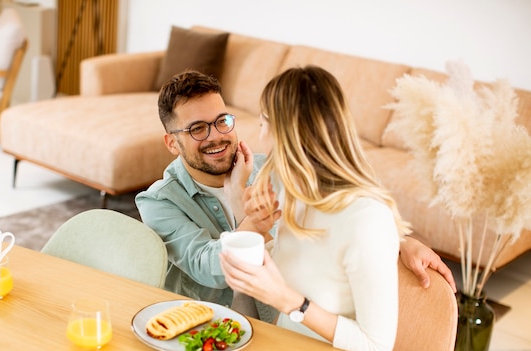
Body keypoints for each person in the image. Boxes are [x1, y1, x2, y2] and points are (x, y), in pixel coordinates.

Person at [136, 70, 455, 318]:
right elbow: (210, 269)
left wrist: (400, 241)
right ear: (172, 143)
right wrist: (244, 208)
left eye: (222, 121)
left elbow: (336, 210)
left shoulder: (270, 168)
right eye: (197, 129)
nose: (216, 136)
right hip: (210, 330)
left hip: (282, 323)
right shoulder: (159, 202)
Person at [219, 65, 415, 351]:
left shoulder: (367, 221)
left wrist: (289, 302)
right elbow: (306, 268)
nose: (259, 137)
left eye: (262, 124)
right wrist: (249, 218)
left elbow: (377, 349)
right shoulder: (292, 192)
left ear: (281, 131)